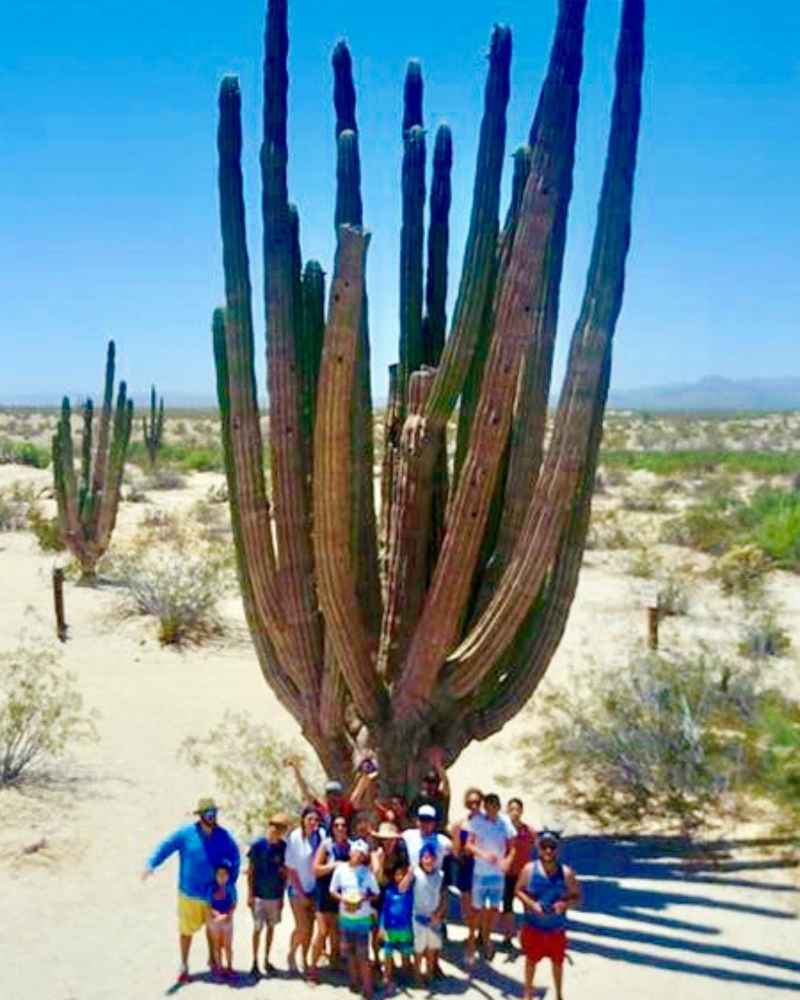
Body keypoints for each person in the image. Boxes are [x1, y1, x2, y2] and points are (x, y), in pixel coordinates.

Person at [142, 797, 240, 985]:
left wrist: (230, 882)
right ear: (201, 816)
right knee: (186, 931)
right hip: (189, 894)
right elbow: (166, 846)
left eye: (214, 813)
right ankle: (184, 966)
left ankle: (214, 962)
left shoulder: (223, 836)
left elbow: (235, 857)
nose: (212, 817)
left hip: (212, 895)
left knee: (213, 932)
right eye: (208, 814)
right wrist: (151, 864)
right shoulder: (186, 834)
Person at [515, 830, 581, 1000]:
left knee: (558, 964)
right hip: (533, 927)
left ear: (557, 849)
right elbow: (518, 891)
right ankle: (527, 993)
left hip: (556, 930)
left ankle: (559, 995)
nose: (548, 851)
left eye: (552, 847)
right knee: (530, 962)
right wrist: (532, 905)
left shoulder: (566, 873)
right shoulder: (529, 869)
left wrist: (565, 904)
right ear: (538, 848)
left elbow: (577, 897)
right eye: (544, 846)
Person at [330, 839, 381, 999]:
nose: (357, 856)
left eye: (361, 854)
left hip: (362, 918)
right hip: (345, 917)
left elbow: (376, 892)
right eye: (355, 852)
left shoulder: (366, 873)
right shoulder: (341, 869)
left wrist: (364, 897)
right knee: (349, 952)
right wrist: (343, 899)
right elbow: (332, 890)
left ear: (364, 856)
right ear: (350, 852)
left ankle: (367, 987)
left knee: (363, 954)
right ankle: (353, 981)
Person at [465, 791, 511, 964]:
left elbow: (512, 846)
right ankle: (471, 941)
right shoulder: (477, 822)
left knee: (493, 909)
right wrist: (483, 854)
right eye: (487, 807)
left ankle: (487, 939)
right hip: (480, 873)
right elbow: (469, 845)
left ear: (498, 807)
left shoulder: (504, 822)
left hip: (498, 874)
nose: (490, 810)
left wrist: (507, 861)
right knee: (476, 909)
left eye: (494, 806)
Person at [308, 814, 351, 982]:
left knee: (336, 932)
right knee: (322, 931)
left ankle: (335, 963)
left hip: (341, 894)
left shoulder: (351, 846)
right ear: (332, 828)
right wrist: (333, 866)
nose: (340, 828)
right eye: (337, 825)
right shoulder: (326, 845)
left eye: (343, 825)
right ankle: (312, 968)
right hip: (324, 893)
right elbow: (316, 869)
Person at [247, 812, 289, 977]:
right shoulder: (258, 845)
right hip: (259, 895)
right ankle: (254, 961)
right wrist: (250, 894)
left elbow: (285, 874)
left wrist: (282, 897)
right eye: (274, 826)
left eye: (281, 828)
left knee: (271, 928)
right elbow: (251, 871)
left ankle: (266, 959)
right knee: (257, 929)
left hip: (274, 896)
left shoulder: (283, 847)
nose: (276, 830)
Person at [284, 806, 323, 975]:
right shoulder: (294, 838)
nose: (313, 823)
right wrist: (300, 893)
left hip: (315, 888)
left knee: (312, 928)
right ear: (303, 820)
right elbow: (290, 869)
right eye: (310, 819)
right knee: (302, 927)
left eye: (316, 819)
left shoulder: (320, 835)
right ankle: (291, 954)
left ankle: (305, 960)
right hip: (297, 888)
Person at [500, 797, 536, 949]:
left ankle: (529, 936)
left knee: (528, 906)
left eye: (517, 809)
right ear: (507, 810)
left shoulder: (529, 831)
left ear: (522, 811)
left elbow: (538, 848)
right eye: (512, 809)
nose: (515, 812)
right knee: (507, 905)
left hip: (524, 875)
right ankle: (508, 937)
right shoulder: (502, 830)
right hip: (507, 873)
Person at [286, 756, 354, 832]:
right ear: (326, 796)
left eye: (336, 795)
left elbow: (357, 794)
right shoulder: (322, 809)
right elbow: (306, 791)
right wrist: (296, 771)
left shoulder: (345, 808)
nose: (333, 798)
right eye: (330, 795)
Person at [412, 844, 447, 986]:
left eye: (432, 858)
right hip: (418, 916)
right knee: (419, 949)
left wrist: (439, 914)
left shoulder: (440, 875)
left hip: (434, 916)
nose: (429, 861)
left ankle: (429, 972)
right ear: (421, 859)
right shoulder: (415, 874)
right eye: (425, 858)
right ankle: (416, 975)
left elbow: (444, 896)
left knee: (432, 948)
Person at [379, 861, 414, 995]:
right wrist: (382, 927)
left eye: (402, 874)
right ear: (393, 876)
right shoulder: (389, 891)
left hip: (405, 927)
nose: (399, 877)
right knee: (388, 953)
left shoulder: (410, 891)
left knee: (406, 953)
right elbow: (384, 910)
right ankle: (387, 976)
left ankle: (404, 976)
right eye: (397, 874)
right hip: (390, 928)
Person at [449, 788, 483, 927]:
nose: (474, 805)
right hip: (465, 864)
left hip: (482, 866)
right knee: (466, 901)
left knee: (481, 902)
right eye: (470, 802)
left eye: (477, 802)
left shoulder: (487, 822)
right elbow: (455, 849)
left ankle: (481, 932)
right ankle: (471, 931)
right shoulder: (461, 823)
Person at [207, 862, 237, 977]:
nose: (222, 877)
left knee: (228, 945)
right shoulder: (211, 888)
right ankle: (219, 967)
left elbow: (234, 904)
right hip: (215, 920)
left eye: (224, 875)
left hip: (227, 920)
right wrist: (216, 914)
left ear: (228, 876)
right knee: (217, 945)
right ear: (215, 876)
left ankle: (229, 967)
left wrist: (227, 915)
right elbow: (209, 905)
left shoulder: (231, 888)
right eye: (219, 875)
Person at [409, 751, 451, 829]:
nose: (430, 785)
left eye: (434, 782)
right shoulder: (419, 799)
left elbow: (446, 784)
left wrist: (438, 765)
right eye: (427, 781)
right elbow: (413, 817)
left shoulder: (441, 797)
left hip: (439, 832)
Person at [402, 804, 452, 869]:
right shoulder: (408, 835)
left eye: (428, 820)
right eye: (422, 819)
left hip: (435, 877)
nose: (425, 823)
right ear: (417, 821)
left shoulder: (443, 841)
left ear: (434, 822)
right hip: (413, 877)